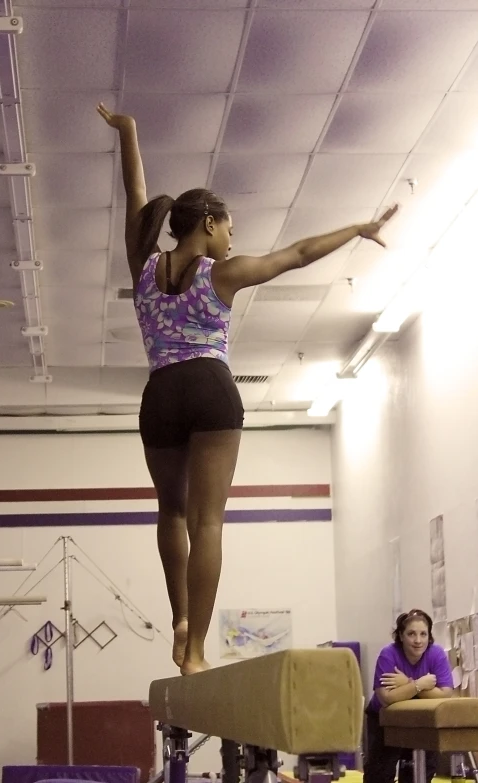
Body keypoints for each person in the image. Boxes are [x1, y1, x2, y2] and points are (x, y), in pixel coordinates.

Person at [96, 101, 398, 675]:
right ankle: (197, 650)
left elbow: (135, 197)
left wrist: (129, 132)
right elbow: (300, 254)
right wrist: (359, 228)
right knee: (209, 521)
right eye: (229, 227)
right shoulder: (221, 275)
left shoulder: (143, 266)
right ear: (208, 223)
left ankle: (180, 618)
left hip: (159, 395)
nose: (233, 239)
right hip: (209, 388)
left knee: (172, 512)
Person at [364, 609, 453, 783]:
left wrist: (406, 683)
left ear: (429, 636)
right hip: (384, 718)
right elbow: (386, 698)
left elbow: (445, 694)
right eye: (411, 634)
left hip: (419, 719)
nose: (418, 640)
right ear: (401, 636)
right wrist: (419, 684)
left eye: (423, 634)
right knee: (380, 771)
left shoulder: (436, 654)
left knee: (420, 772)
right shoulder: (388, 654)